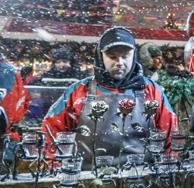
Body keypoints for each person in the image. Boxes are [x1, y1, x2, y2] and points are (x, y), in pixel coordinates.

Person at [42, 27, 177, 166]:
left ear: (134, 56)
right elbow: (52, 133)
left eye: (125, 56)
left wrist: (166, 170)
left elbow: (170, 137)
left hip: (142, 175)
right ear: (101, 57)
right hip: (87, 176)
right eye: (112, 56)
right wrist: (57, 170)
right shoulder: (78, 91)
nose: (119, 62)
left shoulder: (152, 91)